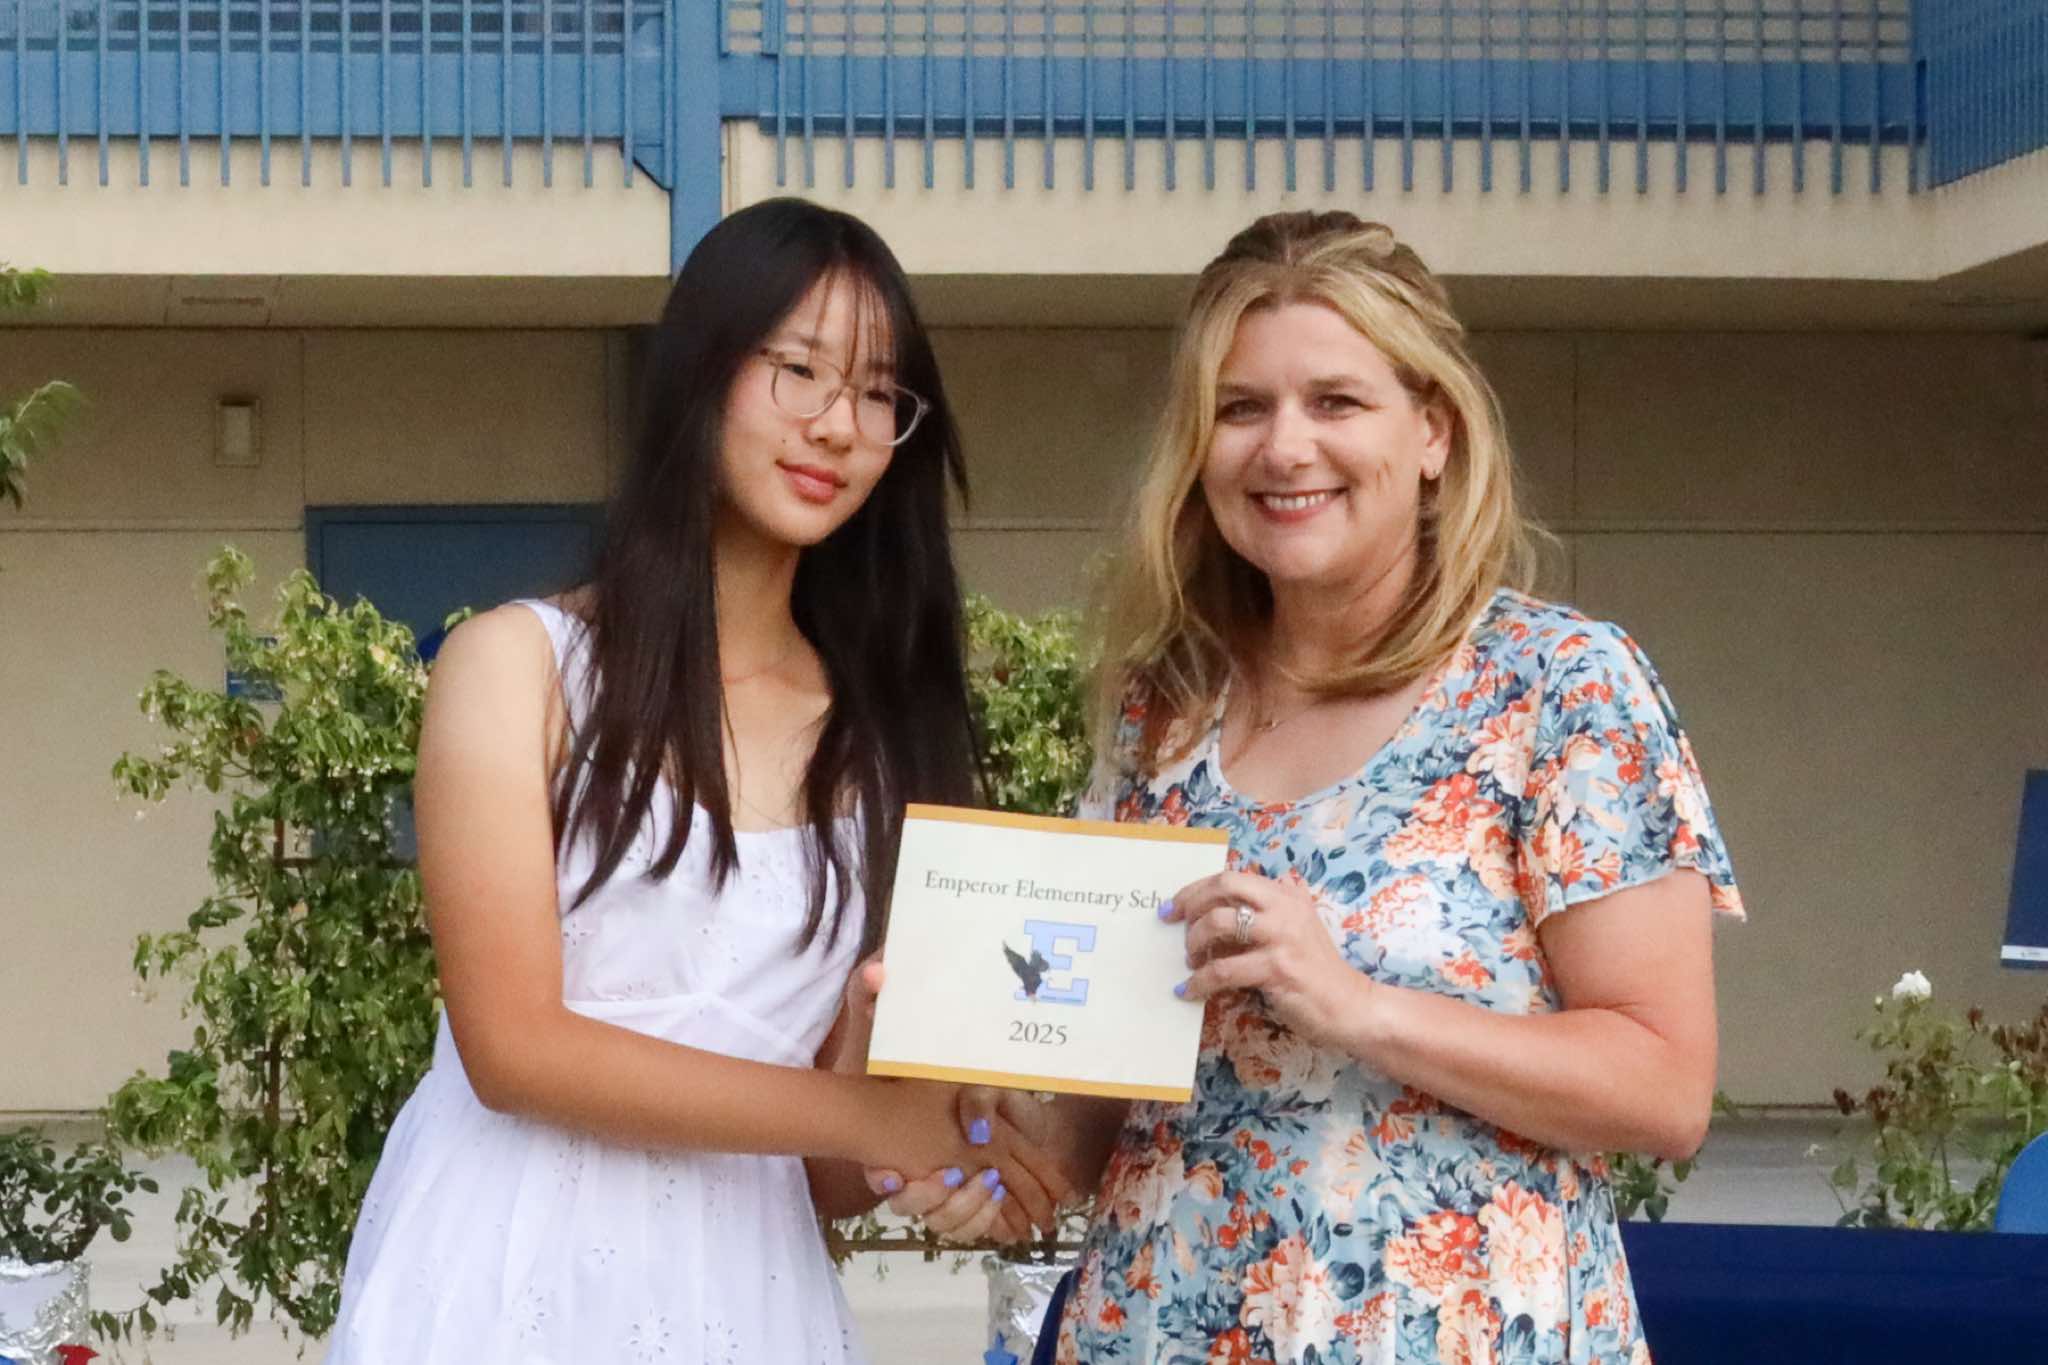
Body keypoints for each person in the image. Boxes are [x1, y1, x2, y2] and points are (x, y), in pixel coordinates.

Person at [878, 211, 1744, 1365]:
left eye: (1334, 401)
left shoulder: (1558, 686)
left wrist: (1356, 1006)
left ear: (1432, 431)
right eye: (1239, 408)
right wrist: (982, 1140)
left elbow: (1663, 1090)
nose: (1284, 448)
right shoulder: (1159, 708)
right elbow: (1102, 1121)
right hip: (1160, 1329)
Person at [324, 198, 1065, 1364]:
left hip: (746, 1297)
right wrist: (870, 1114)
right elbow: (513, 1049)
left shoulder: (882, 740)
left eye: (879, 393)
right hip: (500, 1278)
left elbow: (820, 1178)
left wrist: (935, 1141)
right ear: (702, 373)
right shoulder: (517, 665)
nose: (837, 425)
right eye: (798, 370)